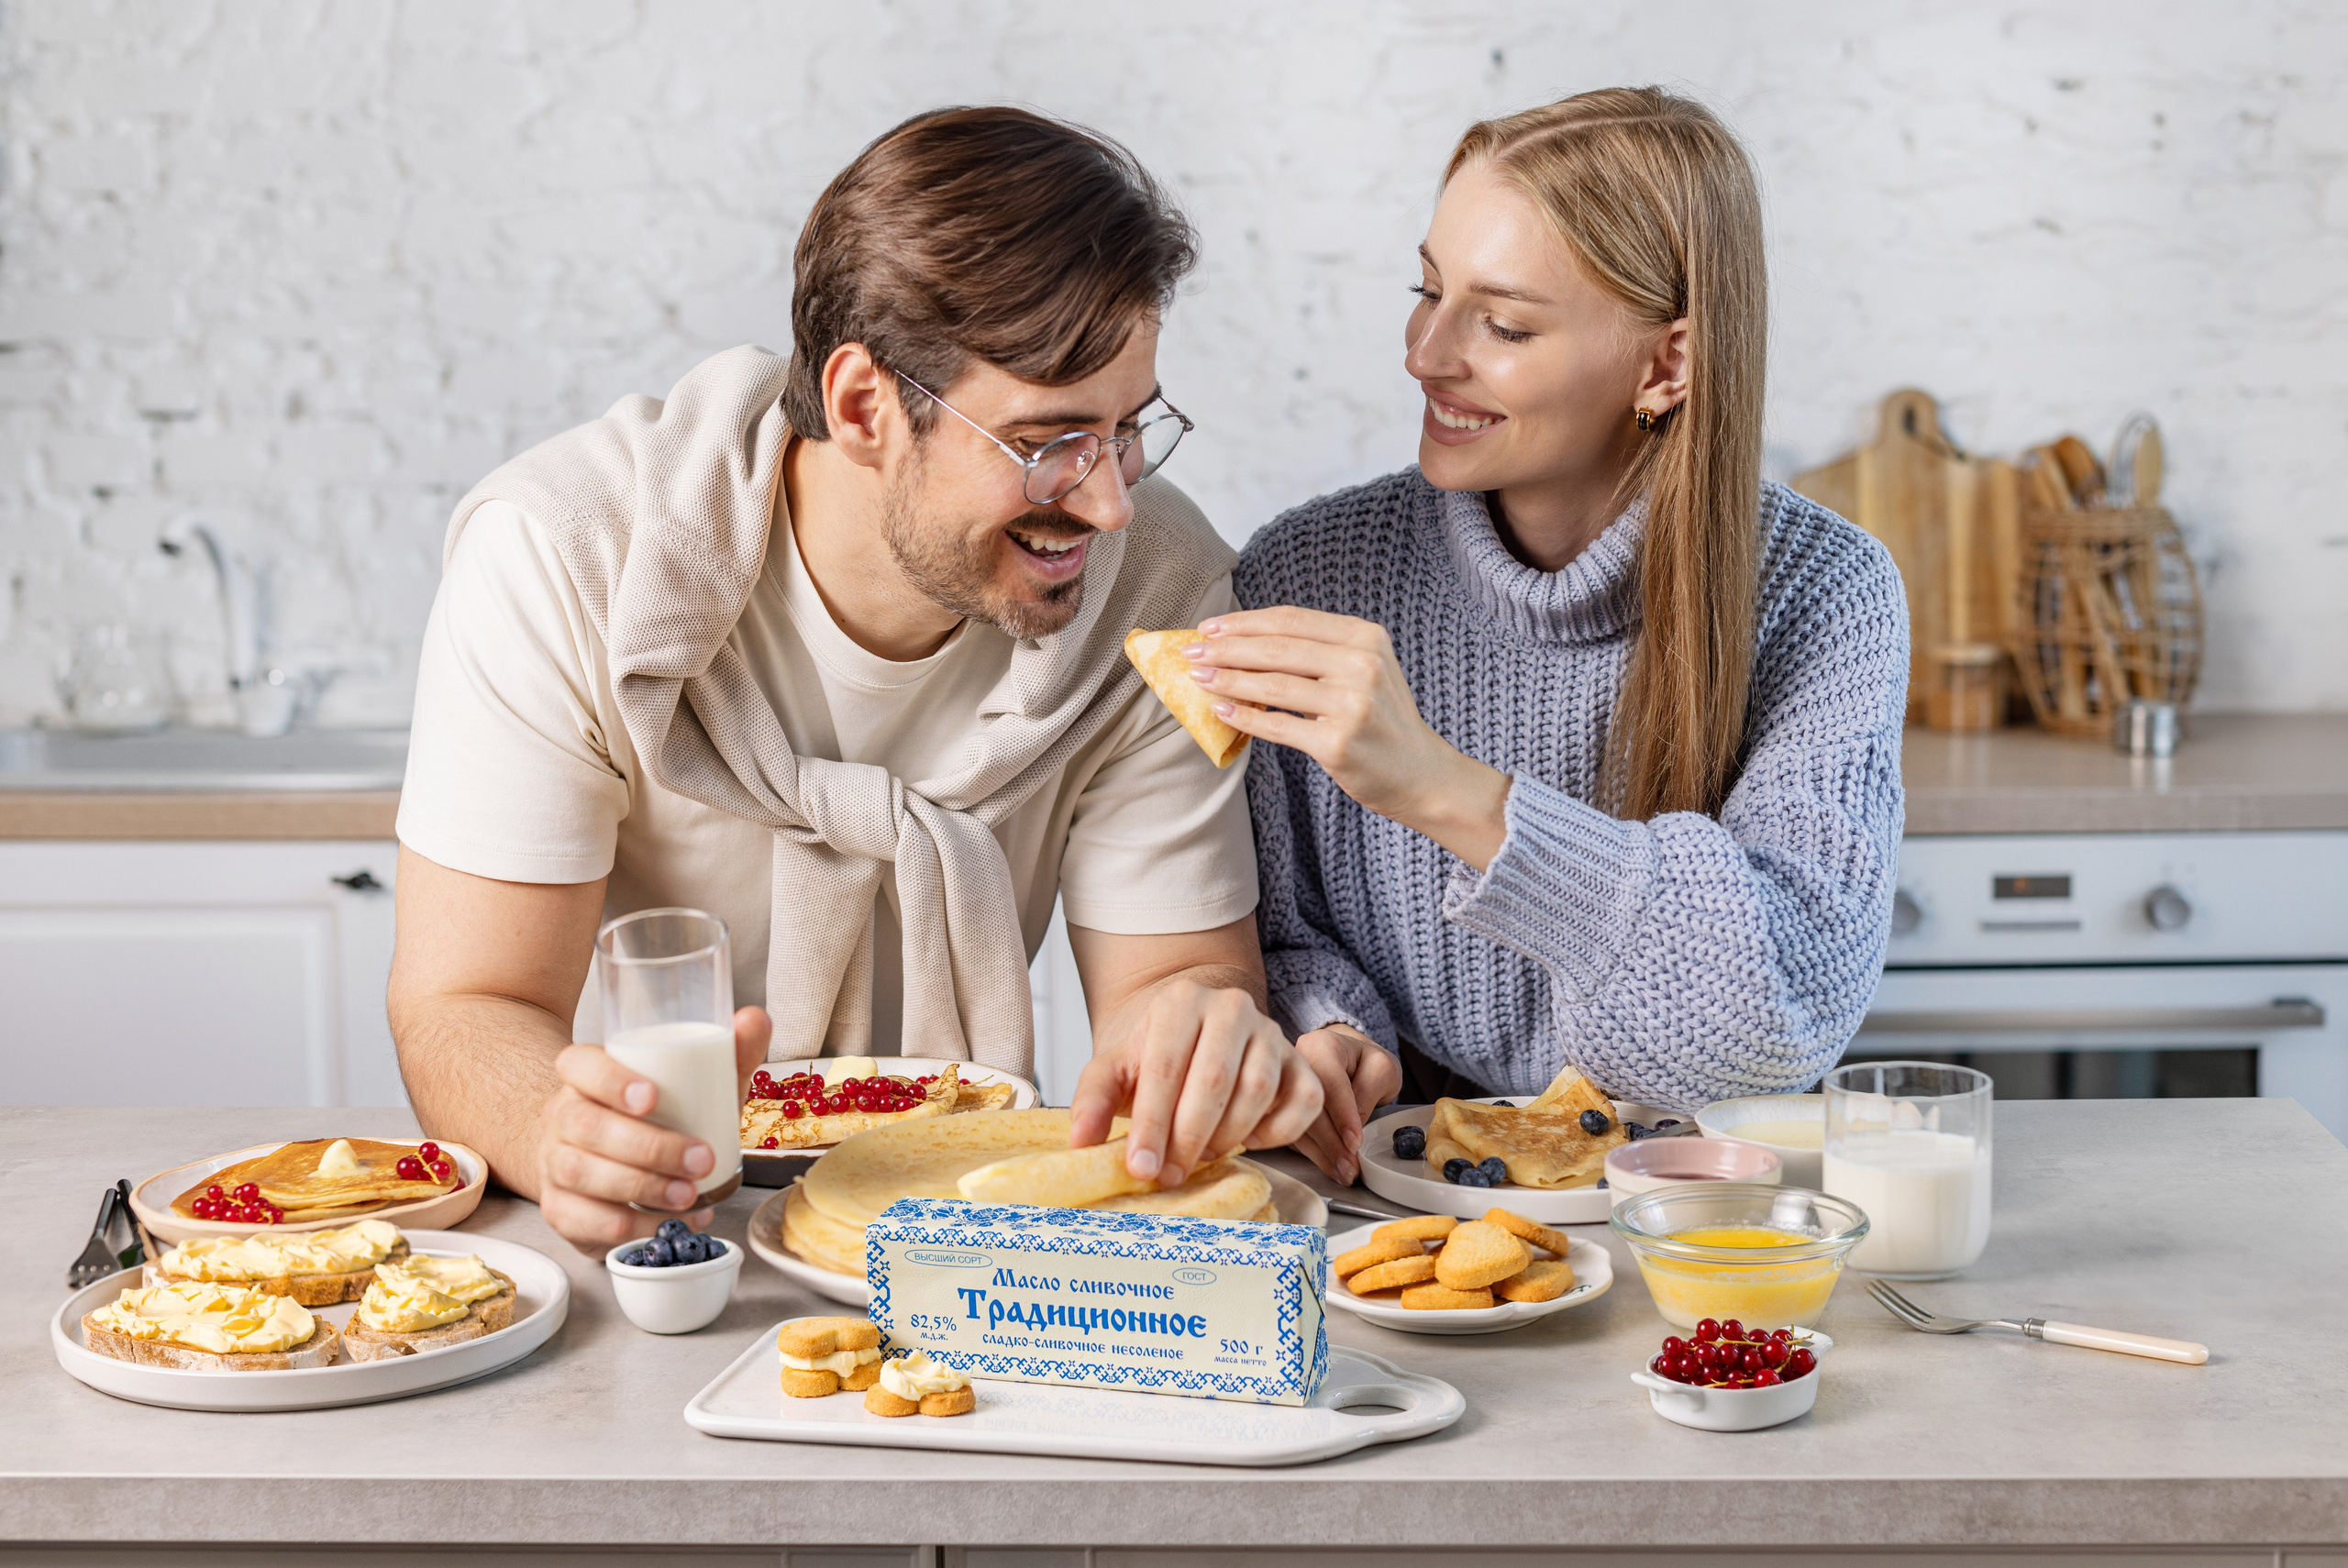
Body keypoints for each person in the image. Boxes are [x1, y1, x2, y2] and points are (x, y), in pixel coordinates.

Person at [388, 106, 1323, 1250]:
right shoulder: (568, 556)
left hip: (976, 1236)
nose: (1109, 501)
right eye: (1048, 443)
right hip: (671, 1230)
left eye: (1130, 428)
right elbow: (468, 1001)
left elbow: (1172, 978)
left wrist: (1203, 1029)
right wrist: (561, 1136)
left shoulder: (1159, 588)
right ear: (864, 406)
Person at [1187, 88, 1908, 1185]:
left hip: (1690, 1220)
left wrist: (1439, 788)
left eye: (1503, 324)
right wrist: (1335, 1032)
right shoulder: (1308, 571)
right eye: (1427, 292)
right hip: (1387, 1202)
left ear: (1665, 367)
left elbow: (1768, 1025)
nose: (1425, 354)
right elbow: (1277, 931)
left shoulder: (1826, 595)